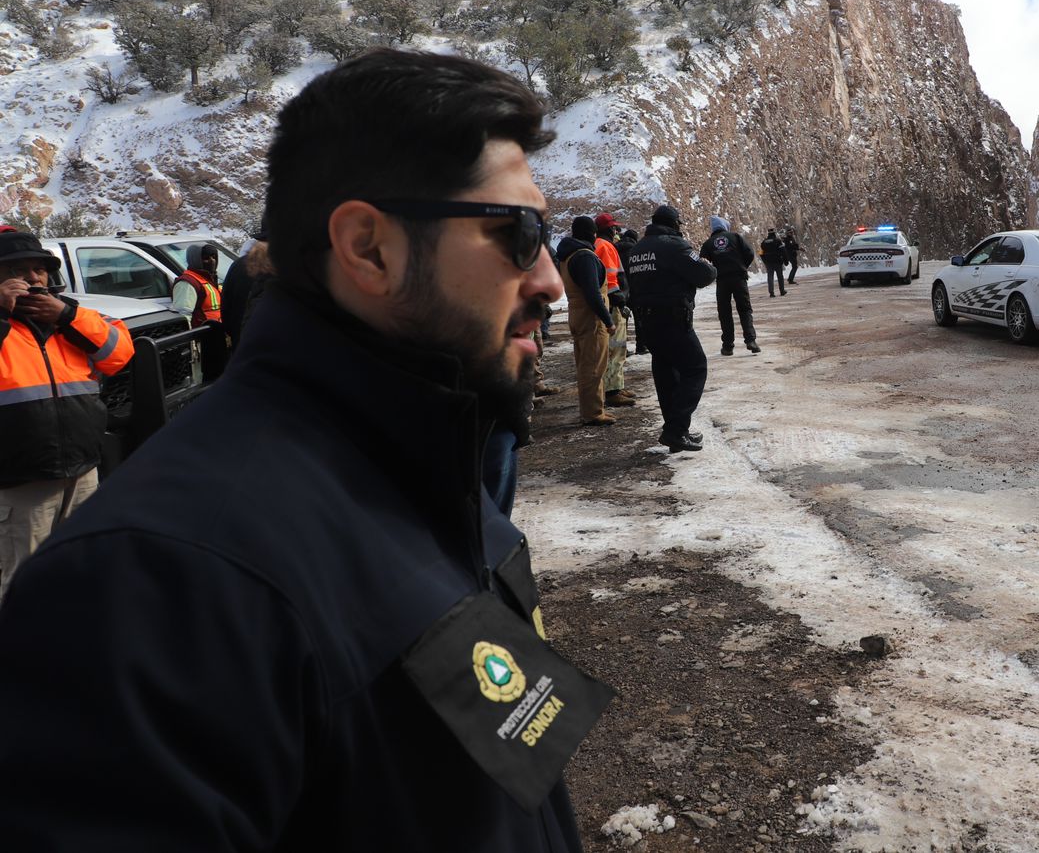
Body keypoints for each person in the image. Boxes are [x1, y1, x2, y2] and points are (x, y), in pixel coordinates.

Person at [0, 49, 610, 851]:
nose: (550, 282)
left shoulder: (425, 468)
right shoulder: (154, 583)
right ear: (369, 248)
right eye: (516, 233)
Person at [0, 229, 135, 601]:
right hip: (23, 482)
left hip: (82, 472)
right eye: (17, 269)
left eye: (39, 269)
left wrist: (68, 316)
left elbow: (119, 352)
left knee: (82, 569)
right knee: (23, 584)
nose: (32, 278)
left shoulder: (69, 316)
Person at [625, 204, 715, 453]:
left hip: (647, 322)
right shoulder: (674, 246)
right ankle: (675, 430)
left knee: (666, 376)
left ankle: (675, 431)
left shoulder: (637, 250)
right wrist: (708, 264)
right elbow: (704, 274)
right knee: (695, 368)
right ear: (674, 224)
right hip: (673, 320)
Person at [554, 216, 617, 426]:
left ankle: (590, 409)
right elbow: (592, 293)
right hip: (591, 318)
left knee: (585, 365)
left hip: (577, 314)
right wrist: (608, 319)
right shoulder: (585, 256)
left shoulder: (567, 255)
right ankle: (593, 413)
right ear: (591, 233)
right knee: (593, 367)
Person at [593, 213, 636, 408]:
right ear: (610, 229)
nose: (616, 231)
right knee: (616, 347)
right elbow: (611, 279)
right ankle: (612, 390)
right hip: (612, 303)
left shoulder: (597, 244)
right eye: (614, 228)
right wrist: (619, 300)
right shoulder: (606, 246)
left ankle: (616, 385)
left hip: (606, 302)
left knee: (613, 347)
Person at [699, 216, 759, 356]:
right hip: (739, 278)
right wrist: (742, 266)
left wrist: (714, 272)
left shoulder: (708, 243)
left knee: (725, 313)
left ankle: (727, 346)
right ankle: (751, 340)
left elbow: (703, 263)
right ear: (724, 226)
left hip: (722, 281)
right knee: (744, 309)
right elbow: (749, 253)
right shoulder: (736, 237)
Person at [171, 242, 223, 328]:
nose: (212, 261)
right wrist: (191, 340)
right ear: (195, 259)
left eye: (214, 257)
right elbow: (183, 317)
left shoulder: (211, 280)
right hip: (203, 337)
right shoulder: (187, 283)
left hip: (217, 334)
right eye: (206, 258)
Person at [618, 227, 646, 356]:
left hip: (619, 291)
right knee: (639, 320)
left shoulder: (614, 248)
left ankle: (621, 349)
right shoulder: (635, 251)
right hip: (634, 290)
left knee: (622, 322)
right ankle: (641, 346)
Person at [759, 227, 787, 297]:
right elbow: (783, 251)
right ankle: (782, 291)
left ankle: (771, 293)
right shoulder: (778, 241)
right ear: (774, 233)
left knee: (770, 277)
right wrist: (785, 260)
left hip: (768, 262)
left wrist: (765, 261)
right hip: (777, 261)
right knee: (780, 276)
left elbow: (761, 253)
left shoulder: (764, 242)